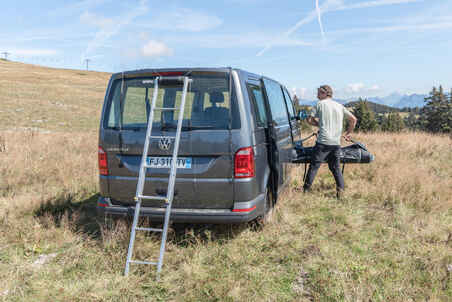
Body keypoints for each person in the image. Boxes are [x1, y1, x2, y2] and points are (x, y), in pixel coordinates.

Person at [303, 85, 357, 198]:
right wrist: (348, 133)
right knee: (336, 169)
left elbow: (308, 119)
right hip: (336, 143)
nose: (316, 95)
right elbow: (353, 119)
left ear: (324, 93)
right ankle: (340, 194)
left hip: (322, 142)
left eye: (318, 92)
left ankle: (305, 193)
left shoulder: (319, 104)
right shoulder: (339, 106)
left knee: (314, 167)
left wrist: (317, 124)